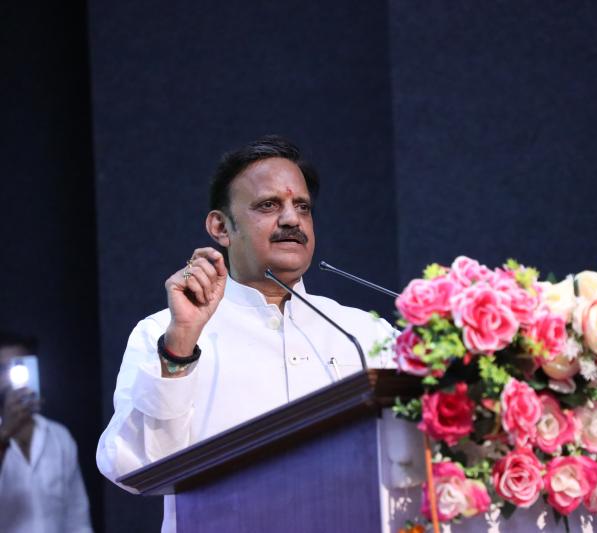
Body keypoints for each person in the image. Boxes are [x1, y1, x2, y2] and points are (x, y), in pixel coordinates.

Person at [96, 135, 394, 532]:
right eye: (268, 205)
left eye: (302, 207)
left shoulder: (365, 332)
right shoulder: (165, 332)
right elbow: (129, 466)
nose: (291, 220)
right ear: (220, 227)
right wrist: (179, 347)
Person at [0, 332, 93, 533]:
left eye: (19, 366)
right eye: (2, 369)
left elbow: (77, 518)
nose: (9, 378)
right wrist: (5, 432)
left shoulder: (59, 437)